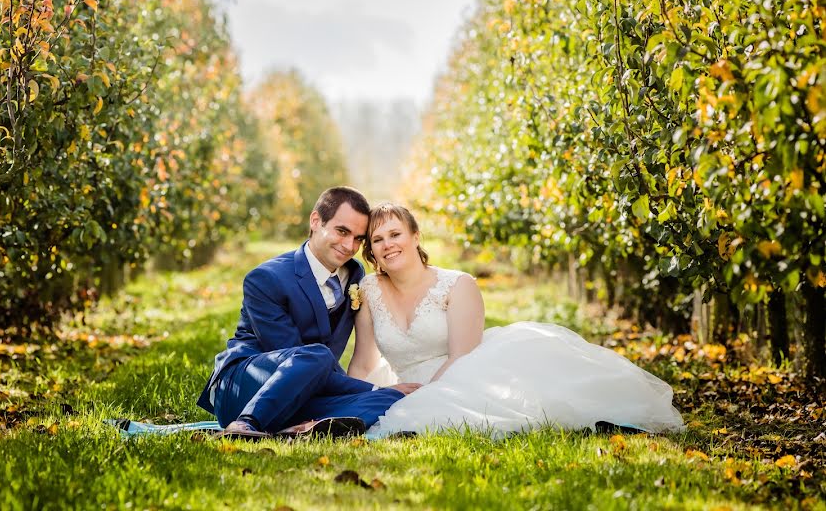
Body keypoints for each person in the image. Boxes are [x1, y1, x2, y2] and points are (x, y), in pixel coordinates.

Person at [347, 203, 685, 437]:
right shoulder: (370, 290)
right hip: (405, 382)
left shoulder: (457, 284)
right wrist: (354, 403)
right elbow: (362, 362)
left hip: (463, 374)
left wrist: (418, 399)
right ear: (371, 252)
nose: (388, 245)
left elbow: (461, 356)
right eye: (378, 239)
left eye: (395, 234)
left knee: (543, 407)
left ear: (415, 236)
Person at [197, 187, 419, 439]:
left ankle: (297, 428)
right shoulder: (265, 279)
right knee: (321, 357)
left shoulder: (355, 274)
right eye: (342, 231)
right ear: (316, 221)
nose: (349, 246)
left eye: (358, 239)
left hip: (306, 394)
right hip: (248, 388)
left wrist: (383, 392)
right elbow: (299, 359)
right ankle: (245, 424)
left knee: (389, 400)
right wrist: (372, 387)